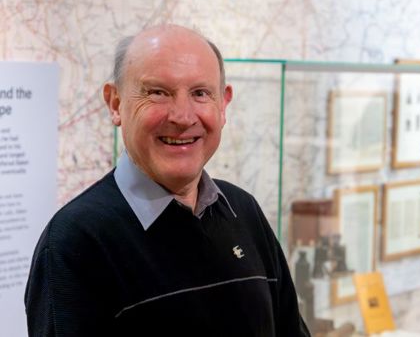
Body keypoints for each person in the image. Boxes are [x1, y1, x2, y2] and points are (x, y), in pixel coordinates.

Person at [24, 24, 310, 337]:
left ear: (223, 104)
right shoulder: (74, 242)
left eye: (200, 93)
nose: (183, 117)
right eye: (158, 92)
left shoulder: (244, 211)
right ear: (115, 103)